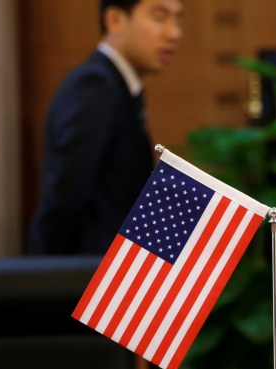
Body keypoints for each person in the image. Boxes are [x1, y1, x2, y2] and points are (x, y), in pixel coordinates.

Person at [28, 0, 183, 255]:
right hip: (86, 279)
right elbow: (63, 200)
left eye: (178, 19)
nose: (174, 32)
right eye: (159, 16)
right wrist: (41, 283)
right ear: (115, 20)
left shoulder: (118, 88)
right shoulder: (94, 86)